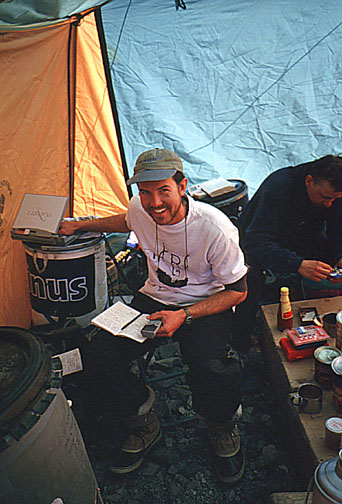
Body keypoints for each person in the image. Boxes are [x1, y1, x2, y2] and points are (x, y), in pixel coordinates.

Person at [59, 148, 248, 484]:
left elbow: (238, 291)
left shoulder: (214, 229)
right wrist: (80, 225)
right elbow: (125, 220)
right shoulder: (139, 207)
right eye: (145, 192)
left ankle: (222, 427)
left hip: (206, 304)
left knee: (212, 367)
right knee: (98, 352)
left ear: (183, 186)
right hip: (154, 298)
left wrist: (185, 315)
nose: (154, 202)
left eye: (163, 191)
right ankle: (142, 422)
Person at [232, 155, 342, 353]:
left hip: (300, 234)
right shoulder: (278, 187)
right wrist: (297, 264)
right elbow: (256, 241)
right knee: (250, 281)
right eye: (325, 197)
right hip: (253, 243)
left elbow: (337, 229)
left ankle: (309, 317)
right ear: (309, 181)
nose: (328, 204)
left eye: (335, 199)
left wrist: (337, 257)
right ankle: (240, 344)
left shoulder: (333, 194)